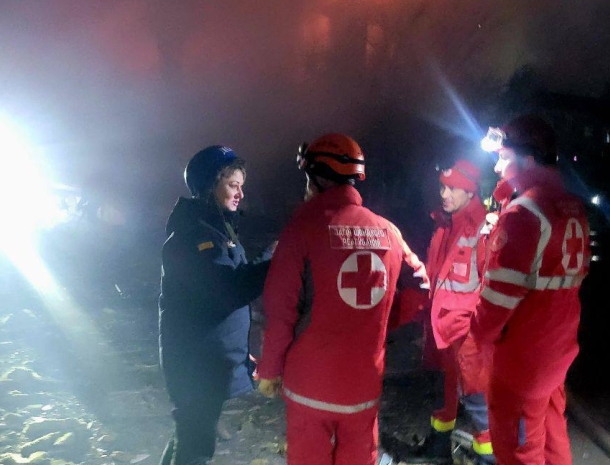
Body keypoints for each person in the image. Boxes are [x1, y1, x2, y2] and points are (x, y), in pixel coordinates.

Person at [256, 133, 426, 465]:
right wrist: (381, 321)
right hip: (363, 386)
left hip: (309, 386)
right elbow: (420, 287)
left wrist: (270, 370)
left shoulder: (302, 228)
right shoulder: (388, 231)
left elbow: (281, 309)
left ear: (318, 177)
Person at [476, 115, 590, 465]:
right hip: (556, 350)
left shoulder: (523, 214)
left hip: (521, 363)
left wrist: (478, 336)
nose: (497, 166)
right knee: (554, 439)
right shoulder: (573, 206)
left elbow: (496, 301)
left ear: (526, 158)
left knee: (518, 453)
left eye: (503, 157)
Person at [158, 145, 275, 465]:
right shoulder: (196, 236)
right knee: (196, 447)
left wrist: (236, 353)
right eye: (232, 185)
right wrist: (275, 260)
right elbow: (227, 291)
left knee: (190, 436)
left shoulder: (213, 229)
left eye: (241, 186)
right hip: (195, 364)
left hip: (205, 360)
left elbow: (229, 283)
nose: (240, 193)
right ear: (210, 185)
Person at [405, 159, 495, 465]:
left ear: (470, 192)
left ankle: (489, 458)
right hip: (442, 328)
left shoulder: (485, 230)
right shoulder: (444, 224)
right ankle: (439, 447)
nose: (444, 194)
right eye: (443, 186)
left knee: (477, 399)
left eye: (453, 188)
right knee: (442, 393)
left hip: (468, 334)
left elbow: (492, 287)